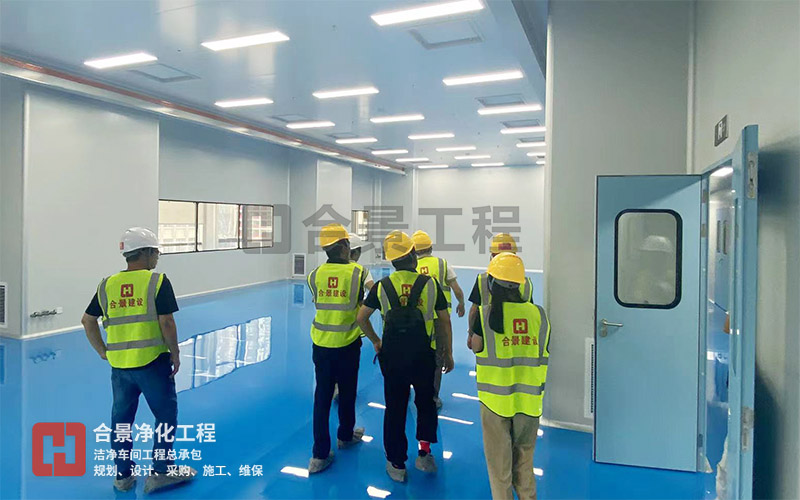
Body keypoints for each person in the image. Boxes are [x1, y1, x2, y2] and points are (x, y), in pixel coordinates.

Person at [80, 227, 196, 493]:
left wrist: (102, 350)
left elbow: (87, 320)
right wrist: (176, 353)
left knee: (121, 421)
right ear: (145, 253)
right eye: (156, 252)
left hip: (120, 366)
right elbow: (166, 322)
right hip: (152, 363)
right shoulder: (157, 281)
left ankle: (123, 476)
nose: (157, 257)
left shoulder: (107, 285)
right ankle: (161, 471)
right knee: (165, 416)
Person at [357, 231, 454, 483]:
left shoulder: (382, 286)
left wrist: (376, 341)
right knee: (425, 403)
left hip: (393, 357)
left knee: (395, 407)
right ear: (412, 255)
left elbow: (361, 318)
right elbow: (444, 321)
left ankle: (396, 463)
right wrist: (447, 353)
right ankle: (424, 454)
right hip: (424, 355)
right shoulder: (431, 284)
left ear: (392, 261)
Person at [468, 252, 550, 500]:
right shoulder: (539, 315)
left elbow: (475, 346)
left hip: (495, 403)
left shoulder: (485, 316)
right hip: (529, 403)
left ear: (492, 284)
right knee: (524, 465)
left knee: (499, 470)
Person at [306, 223, 369, 473]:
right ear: (344, 246)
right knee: (347, 391)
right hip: (347, 343)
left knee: (322, 397)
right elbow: (363, 302)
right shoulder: (358, 273)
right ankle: (345, 435)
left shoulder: (314, 275)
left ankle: (319, 455)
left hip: (321, 344)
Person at [411, 230, 465, 410]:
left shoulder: (411, 266)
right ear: (431, 248)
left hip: (419, 320)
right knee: (437, 356)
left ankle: (415, 389)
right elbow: (456, 289)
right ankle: (433, 397)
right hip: (440, 320)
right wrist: (461, 303)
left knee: (417, 354)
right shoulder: (442, 264)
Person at [467, 233, 534, 347]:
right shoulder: (526, 283)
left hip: (488, 337)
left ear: (493, 256)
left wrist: (471, 334)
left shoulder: (482, 280)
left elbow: (474, 311)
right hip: (518, 337)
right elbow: (530, 313)